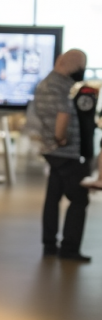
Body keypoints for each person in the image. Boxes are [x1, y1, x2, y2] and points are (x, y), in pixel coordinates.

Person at [32, 49, 91, 262]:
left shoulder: (46, 83)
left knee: (53, 196)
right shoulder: (60, 86)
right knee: (79, 198)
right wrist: (61, 138)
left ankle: (50, 244)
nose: (80, 71)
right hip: (64, 153)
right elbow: (63, 115)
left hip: (52, 151)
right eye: (80, 66)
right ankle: (70, 248)